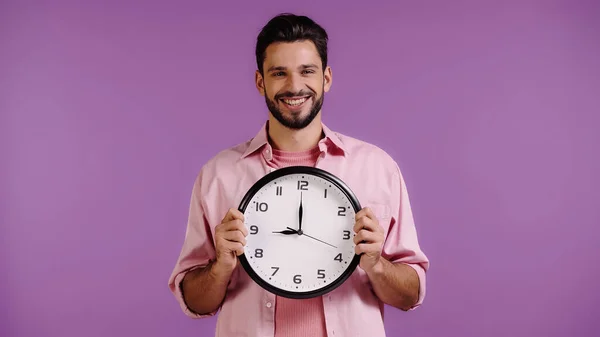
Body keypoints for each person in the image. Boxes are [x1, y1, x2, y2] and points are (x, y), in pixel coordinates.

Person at [168, 13, 429, 337]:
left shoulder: (377, 168)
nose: (294, 86)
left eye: (307, 71)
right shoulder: (218, 175)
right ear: (261, 81)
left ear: (326, 78)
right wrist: (220, 266)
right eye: (279, 73)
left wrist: (376, 264)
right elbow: (195, 302)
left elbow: (411, 293)